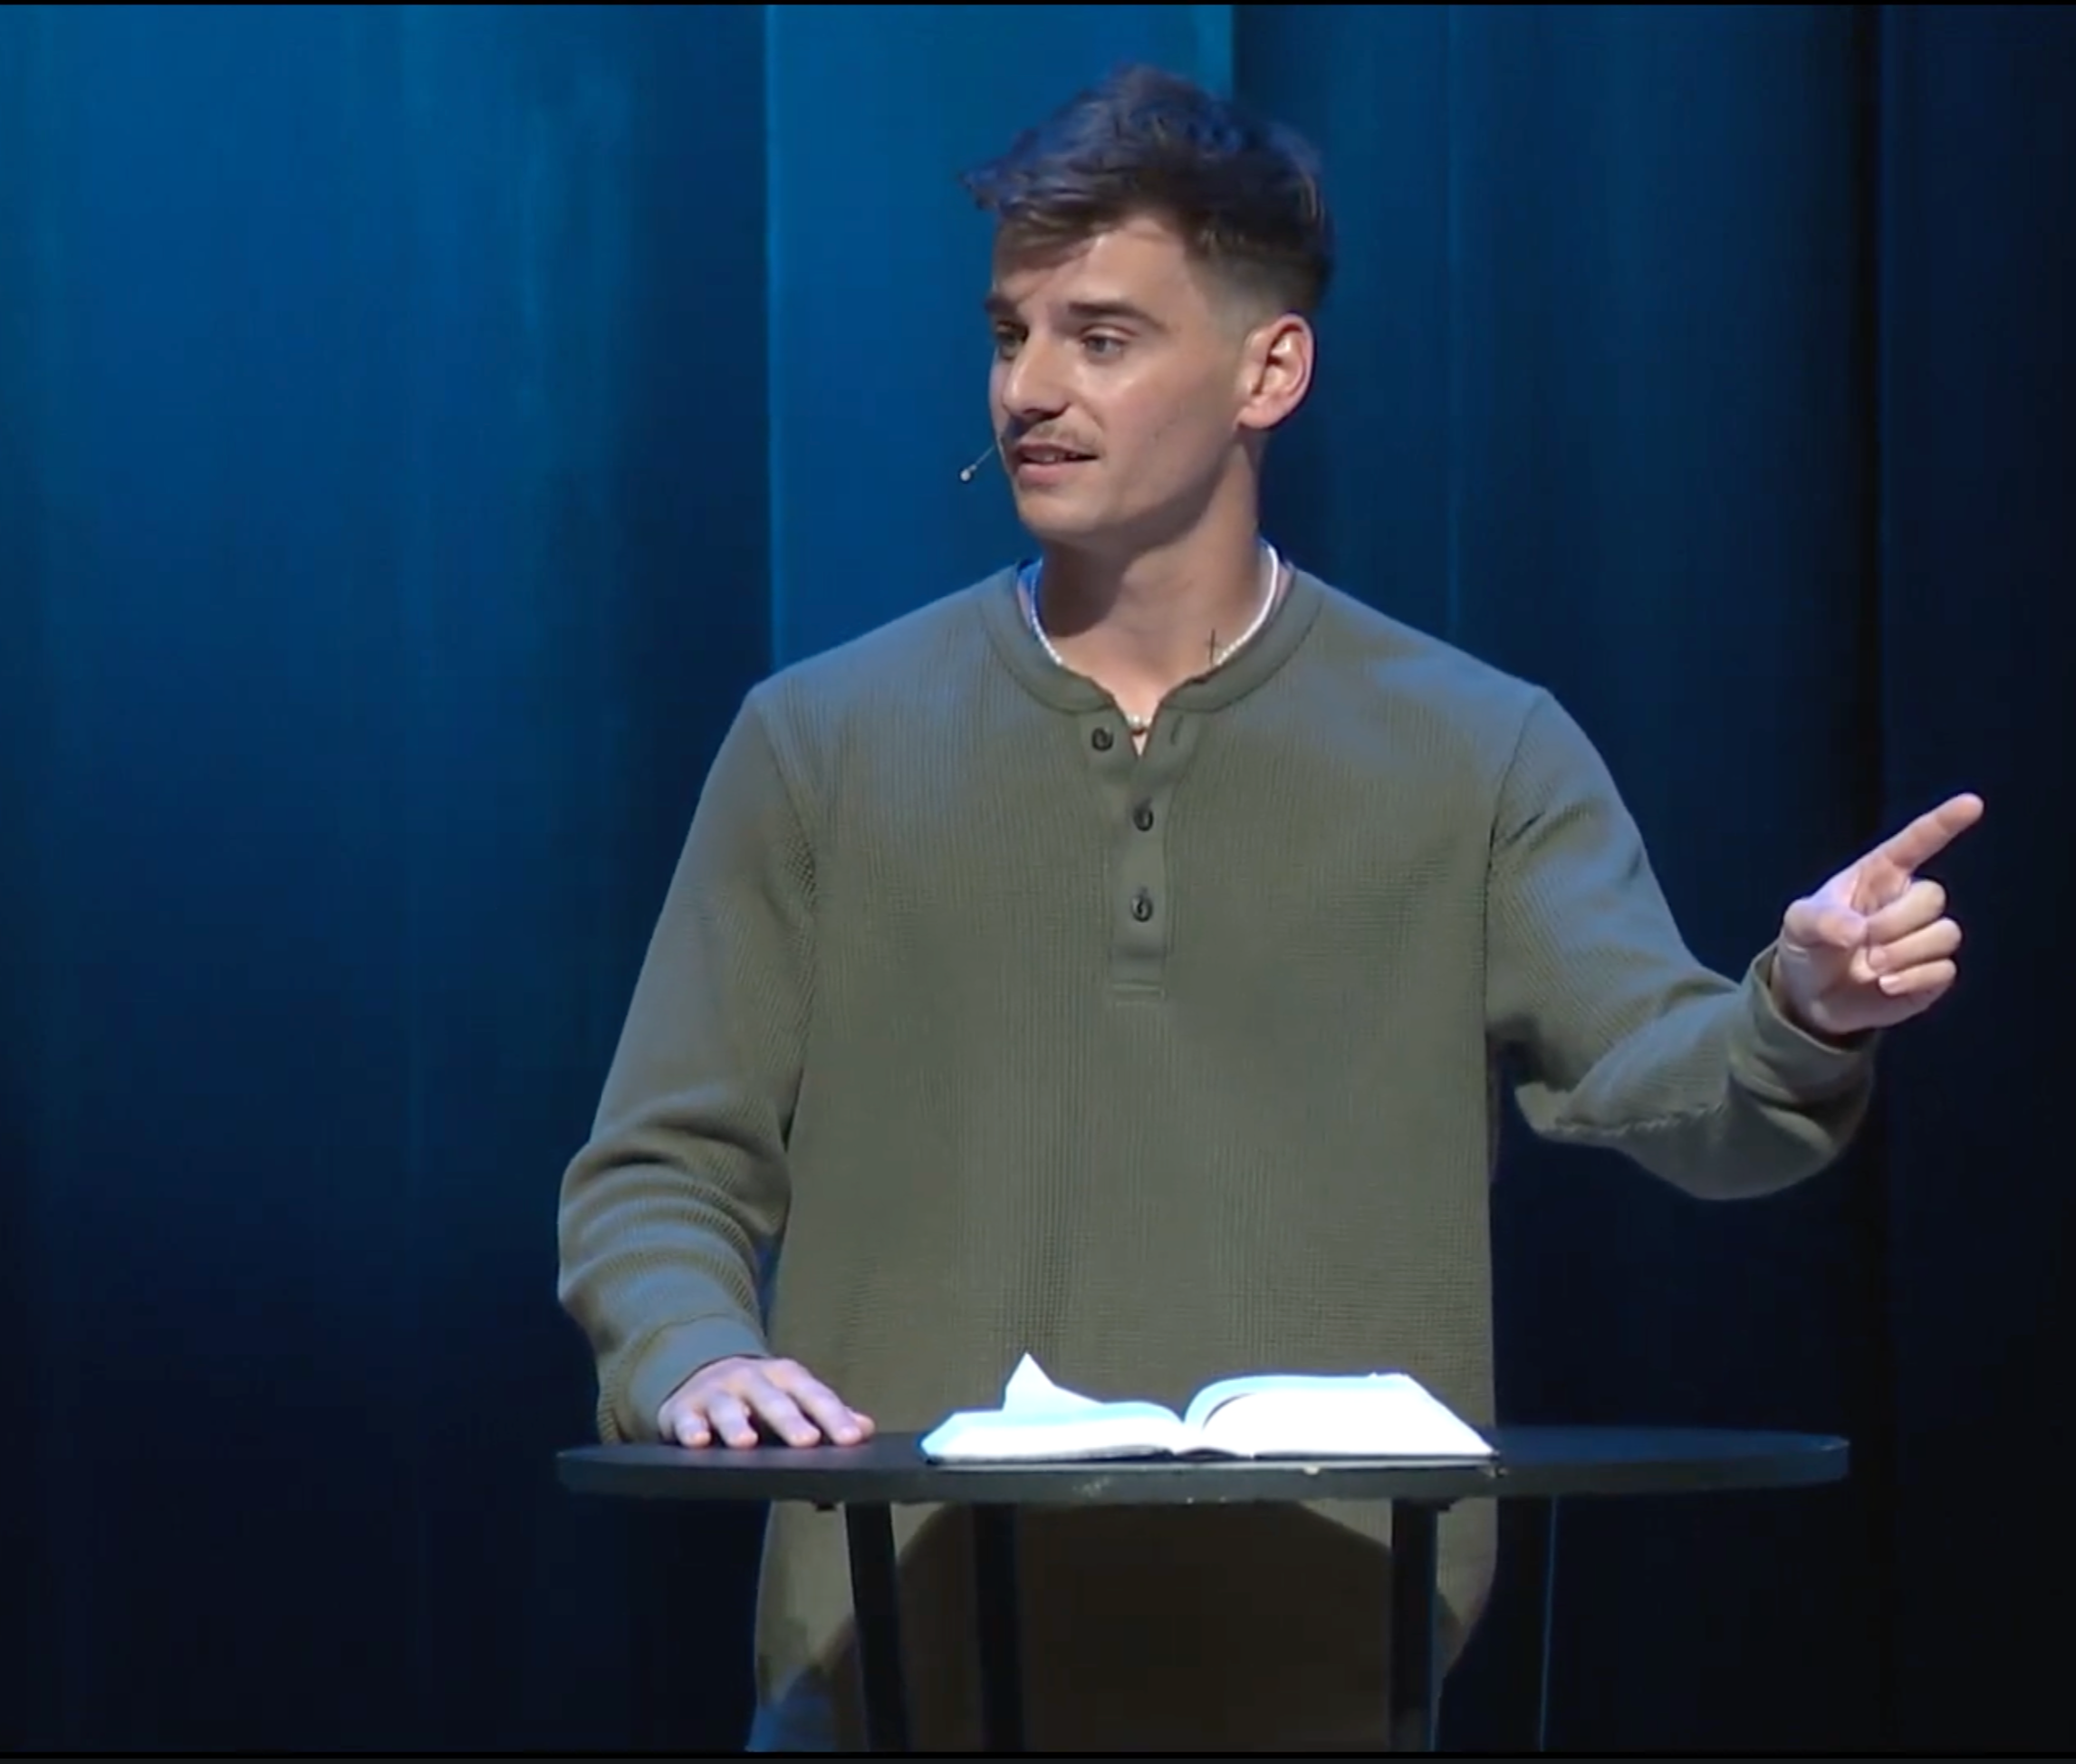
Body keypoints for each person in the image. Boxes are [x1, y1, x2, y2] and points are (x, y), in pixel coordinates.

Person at [556, 64, 1980, 1753]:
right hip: (899, 1669)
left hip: (1323, 1675)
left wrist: (1800, 1008)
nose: (1030, 389)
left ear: (1269, 369)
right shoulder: (823, 741)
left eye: (1101, 337)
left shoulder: (1473, 748)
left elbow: (1681, 1083)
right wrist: (689, 1351)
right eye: (1010, 334)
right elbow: (658, 1167)